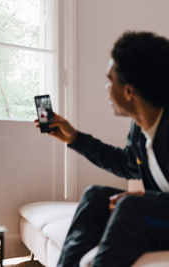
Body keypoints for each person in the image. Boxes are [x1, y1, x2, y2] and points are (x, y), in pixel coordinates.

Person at [36, 31, 169, 266]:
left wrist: (146, 198)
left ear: (129, 91)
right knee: (95, 196)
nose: (107, 87)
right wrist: (75, 138)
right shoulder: (141, 128)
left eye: (111, 80)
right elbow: (126, 163)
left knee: (130, 208)